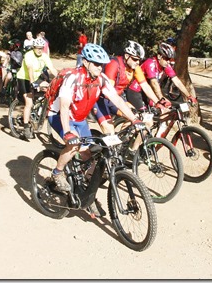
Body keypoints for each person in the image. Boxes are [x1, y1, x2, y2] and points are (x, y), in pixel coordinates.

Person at [48, 43, 144, 203]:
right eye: (96, 64)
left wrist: (134, 119)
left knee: (89, 153)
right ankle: (57, 173)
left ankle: (81, 182)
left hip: (79, 118)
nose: (100, 67)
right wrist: (67, 132)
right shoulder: (72, 78)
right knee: (74, 146)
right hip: (59, 116)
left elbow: (118, 100)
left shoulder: (101, 79)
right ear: (85, 62)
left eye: (102, 64)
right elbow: (64, 106)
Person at [95, 40, 159, 133]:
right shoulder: (114, 63)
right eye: (135, 59)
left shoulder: (135, 68)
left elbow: (145, 86)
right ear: (126, 56)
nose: (137, 62)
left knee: (142, 119)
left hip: (118, 99)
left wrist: (158, 102)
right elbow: (109, 92)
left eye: (139, 60)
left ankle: (124, 144)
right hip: (102, 99)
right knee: (109, 130)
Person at [125, 41, 197, 113]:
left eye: (170, 59)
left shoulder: (165, 65)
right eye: (167, 59)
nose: (168, 62)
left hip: (147, 93)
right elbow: (154, 83)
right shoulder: (151, 63)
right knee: (144, 119)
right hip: (135, 92)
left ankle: (161, 124)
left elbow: (176, 81)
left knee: (166, 111)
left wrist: (189, 96)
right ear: (159, 56)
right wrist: (161, 99)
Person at [17, 37, 58, 139]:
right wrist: (32, 83)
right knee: (29, 102)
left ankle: (38, 107)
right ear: (34, 47)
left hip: (36, 78)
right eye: (37, 48)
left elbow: (52, 68)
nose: (40, 50)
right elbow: (30, 69)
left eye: (41, 48)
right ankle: (26, 126)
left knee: (48, 87)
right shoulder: (29, 55)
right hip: (24, 78)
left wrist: (60, 79)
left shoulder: (44, 56)